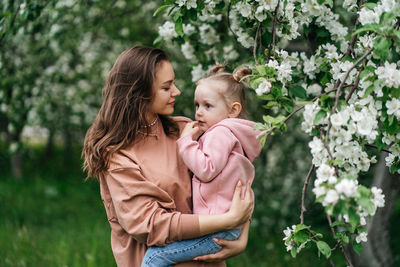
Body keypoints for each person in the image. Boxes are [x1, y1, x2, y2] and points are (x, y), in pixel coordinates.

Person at [82, 46, 254, 267]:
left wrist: (241, 234)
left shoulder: (186, 132)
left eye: (173, 83)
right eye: (166, 87)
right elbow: (150, 225)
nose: (177, 91)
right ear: (139, 93)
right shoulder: (118, 156)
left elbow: (234, 177)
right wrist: (227, 220)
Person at [141, 65, 262, 267]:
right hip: (226, 226)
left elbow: (206, 170)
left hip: (218, 228)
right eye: (197, 105)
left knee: (154, 258)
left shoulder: (220, 133)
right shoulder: (232, 135)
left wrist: (186, 142)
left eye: (208, 106)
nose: (199, 113)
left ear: (233, 110)